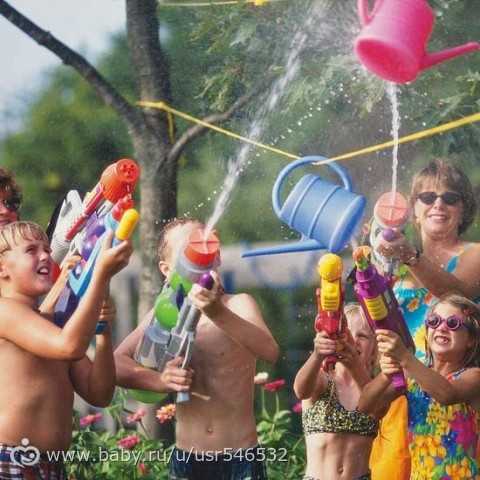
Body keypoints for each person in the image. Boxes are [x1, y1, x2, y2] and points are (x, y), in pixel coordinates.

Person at [114, 217, 279, 480]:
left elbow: (270, 351)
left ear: (217, 255)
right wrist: (160, 380)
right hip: (188, 458)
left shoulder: (238, 305)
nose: (201, 252)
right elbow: (116, 363)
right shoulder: (164, 315)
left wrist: (217, 312)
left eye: (206, 244)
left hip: (239, 456)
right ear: (167, 270)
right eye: (188, 249)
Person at [369, 158, 480, 479]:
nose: (438, 205)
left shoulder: (474, 254)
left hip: (457, 398)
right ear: (412, 211)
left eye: (450, 198)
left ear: (464, 209)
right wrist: (371, 261)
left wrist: (408, 255)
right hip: (404, 398)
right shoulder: (396, 269)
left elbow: (455, 293)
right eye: (428, 197)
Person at [0, 221, 132, 479]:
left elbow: (99, 394)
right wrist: (100, 275)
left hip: (51, 467)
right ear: (2, 268)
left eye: (47, 250)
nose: (45, 256)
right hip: (11, 461)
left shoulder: (52, 326)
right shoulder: (5, 311)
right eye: (31, 250)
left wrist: (102, 332)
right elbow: (69, 346)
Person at [359, 294, 480, 479]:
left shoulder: (474, 376)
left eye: (453, 323)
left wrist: (404, 357)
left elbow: (447, 394)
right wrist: (386, 375)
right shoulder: (413, 375)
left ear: (471, 339)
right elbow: (366, 407)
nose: (442, 328)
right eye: (434, 321)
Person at [293, 303, 378, 480]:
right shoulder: (323, 379)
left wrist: (355, 366)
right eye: (346, 333)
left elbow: (379, 408)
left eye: (362, 336)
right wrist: (317, 355)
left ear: (374, 349)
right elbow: (301, 390)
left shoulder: (374, 385)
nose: (353, 341)